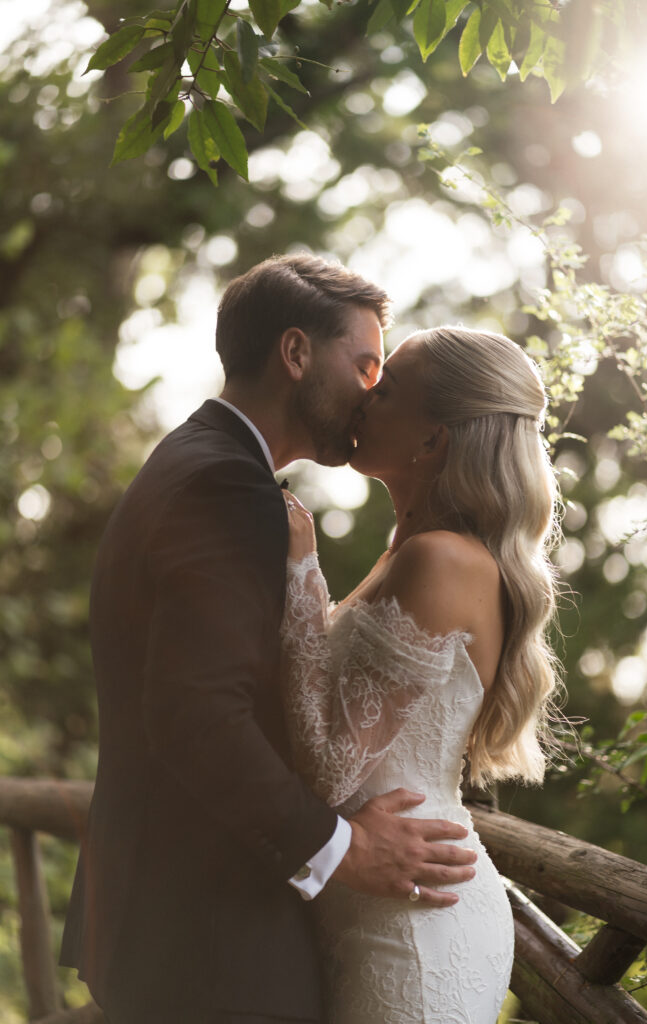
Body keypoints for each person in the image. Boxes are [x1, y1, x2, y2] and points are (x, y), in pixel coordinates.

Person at [59, 256, 479, 1024]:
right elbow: (196, 716)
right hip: (207, 934)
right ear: (294, 354)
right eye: (362, 365)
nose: (368, 394)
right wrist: (346, 849)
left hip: (172, 914)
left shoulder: (199, 462)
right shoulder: (226, 488)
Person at [280, 326, 562, 1023]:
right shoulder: (405, 553)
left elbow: (327, 769)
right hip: (371, 904)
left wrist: (296, 572)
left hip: (410, 933)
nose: (364, 395)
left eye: (389, 386)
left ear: (433, 440)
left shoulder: (439, 561)